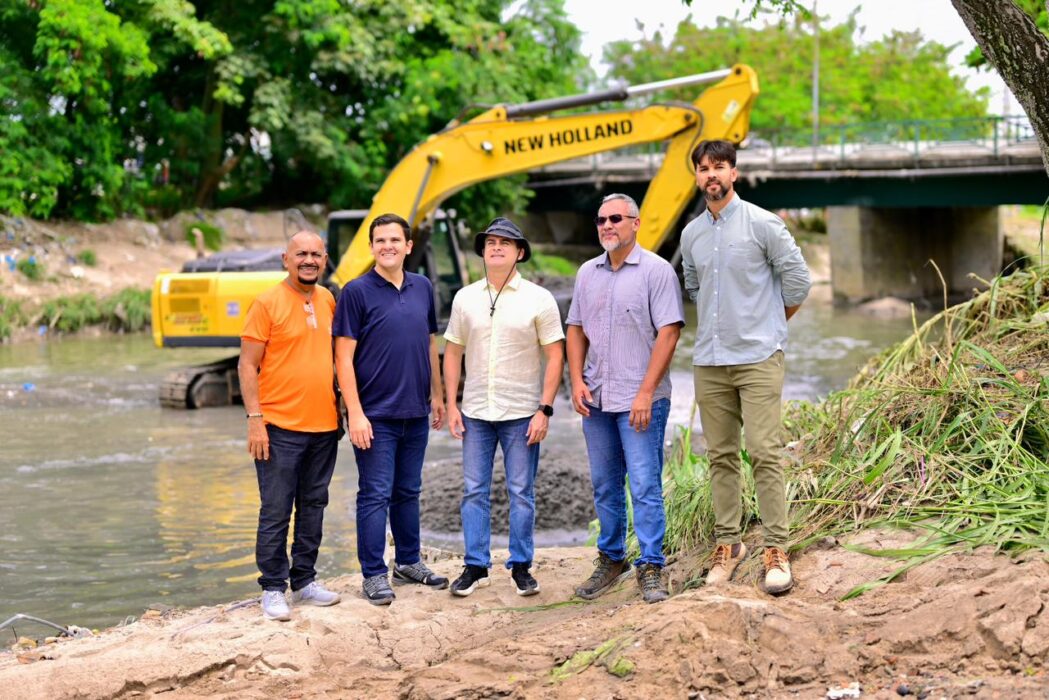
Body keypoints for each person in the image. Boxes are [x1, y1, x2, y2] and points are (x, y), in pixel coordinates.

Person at [681, 139, 812, 595]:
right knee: (720, 456)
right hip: (710, 362)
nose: (711, 175)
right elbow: (694, 287)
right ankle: (729, 545)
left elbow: (799, 280)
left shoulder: (763, 224)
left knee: (764, 451)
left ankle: (777, 548)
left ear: (733, 173)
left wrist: (770, 322)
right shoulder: (692, 234)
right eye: (703, 168)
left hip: (758, 357)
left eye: (719, 167)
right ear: (697, 177)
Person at [567, 193, 684, 605]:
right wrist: (576, 380)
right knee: (604, 484)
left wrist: (646, 393)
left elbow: (669, 333)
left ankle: (652, 565)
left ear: (636, 223)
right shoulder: (586, 273)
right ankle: (611, 558)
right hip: (597, 397)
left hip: (641, 399)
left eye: (615, 218)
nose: (606, 226)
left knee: (646, 484)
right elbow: (576, 328)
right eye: (600, 220)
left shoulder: (657, 272)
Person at [443, 217, 564, 597]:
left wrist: (544, 409)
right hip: (476, 411)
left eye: (505, 243)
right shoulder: (465, 298)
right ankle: (476, 565)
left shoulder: (539, 299)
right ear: (482, 251)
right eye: (490, 242)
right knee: (473, 490)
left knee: (521, 491)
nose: (496, 247)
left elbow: (555, 355)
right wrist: (451, 405)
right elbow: (452, 352)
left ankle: (521, 566)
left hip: (522, 412)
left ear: (520, 253)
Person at [334, 213, 448, 605]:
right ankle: (373, 574)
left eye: (394, 240)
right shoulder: (356, 292)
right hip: (375, 415)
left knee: (408, 491)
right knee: (374, 494)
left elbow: (429, 343)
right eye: (380, 241)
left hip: (415, 411)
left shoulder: (422, 287)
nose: (387, 247)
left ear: (408, 246)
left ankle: (409, 562)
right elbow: (343, 358)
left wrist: (438, 395)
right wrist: (355, 413)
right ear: (371, 247)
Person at [239, 230, 342, 622]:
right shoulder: (266, 303)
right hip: (278, 426)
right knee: (276, 509)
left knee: (314, 505)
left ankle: (304, 581)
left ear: (325, 259)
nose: (309, 260)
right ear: (286, 259)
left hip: (324, 425)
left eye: (316, 254)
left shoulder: (328, 299)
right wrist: (255, 420)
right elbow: (247, 365)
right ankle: (272, 588)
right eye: (301, 254)